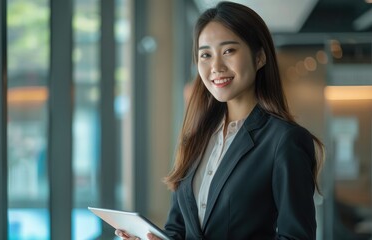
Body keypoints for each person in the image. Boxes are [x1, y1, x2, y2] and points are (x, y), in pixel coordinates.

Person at [116, 1, 325, 239]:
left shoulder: (285, 140)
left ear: (260, 58)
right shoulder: (197, 136)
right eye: (205, 54)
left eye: (228, 51)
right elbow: (179, 229)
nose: (215, 66)